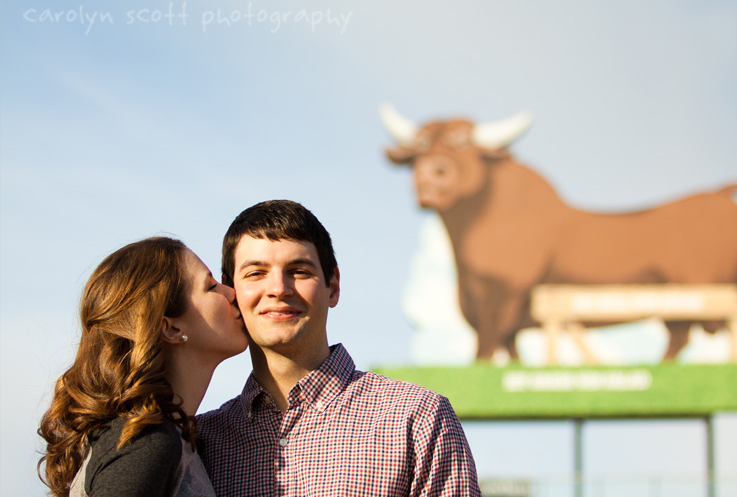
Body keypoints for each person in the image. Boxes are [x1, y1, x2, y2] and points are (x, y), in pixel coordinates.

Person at [197, 200, 482, 496]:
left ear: (333, 286)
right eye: (256, 273)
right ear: (231, 293)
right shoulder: (199, 443)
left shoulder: (416, 418)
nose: (279, 288)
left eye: (298, 270)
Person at [38, 237, 248, 497]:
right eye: (211, 286)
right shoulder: (147, 440)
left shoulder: (162, 437)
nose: (231, 293)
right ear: (170, 327)